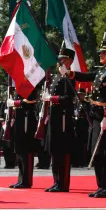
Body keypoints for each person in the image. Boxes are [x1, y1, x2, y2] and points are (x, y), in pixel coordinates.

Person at [60, 39, 106, 198]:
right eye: (101, 52)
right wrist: (70, 73)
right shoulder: (101, 72)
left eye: (104, 52)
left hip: (105, 116)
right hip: (96, 115)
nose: (101, 54)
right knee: (97, 153)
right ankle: (101, 185)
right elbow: (85, 76)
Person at [42, 47, 76, 192]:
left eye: (63, 59)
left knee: (62, 152)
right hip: (54, 118)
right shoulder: (56, 78)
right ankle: (56, 181)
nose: (60, 62)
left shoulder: (69, 78)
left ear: (69, 61)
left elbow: (69, 99)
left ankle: (63, 183)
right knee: (54, 151)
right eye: (60, 59)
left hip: (63, 119)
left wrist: (52, 98)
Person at [7, 88, 38, 188]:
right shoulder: (20, 87)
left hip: (27, 121)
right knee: (19, 151)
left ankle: (26, 180)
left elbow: (29, 101)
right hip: (19, 120)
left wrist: (14, 103)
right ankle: (21, 179)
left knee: (26, 151)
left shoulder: (31, 86)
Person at [73, 88, 90, 168]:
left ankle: (82, 161)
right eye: (78, 94)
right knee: (75, 143)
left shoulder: (86, 104)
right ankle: (75, 161)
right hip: (75, 124)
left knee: (82, 144)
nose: (80, 96)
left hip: (83, 125)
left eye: (81, 95)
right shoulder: (74, 104)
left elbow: (88, 114)